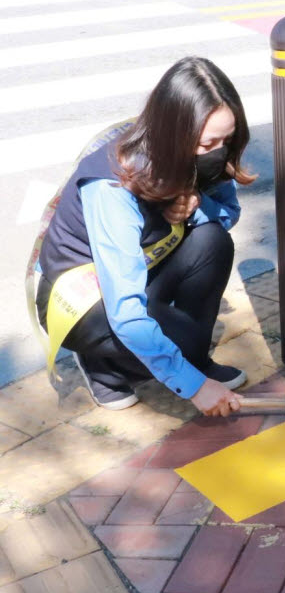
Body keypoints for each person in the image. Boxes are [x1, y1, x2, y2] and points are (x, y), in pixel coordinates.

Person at [34, 56, 254, 414]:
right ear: (173, 135)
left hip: (140, 267)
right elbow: (126, 311)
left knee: (212, 240)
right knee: (172, 344)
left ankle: (191, 355)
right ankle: (101, 365)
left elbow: (228, 215)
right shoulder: (113, 184)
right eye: (206, 144)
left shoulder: (204, 155)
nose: (217, 152)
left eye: (225, 140)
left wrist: (193, 207)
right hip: (83, 295)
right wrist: (195, 388)